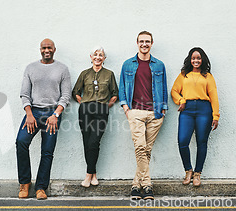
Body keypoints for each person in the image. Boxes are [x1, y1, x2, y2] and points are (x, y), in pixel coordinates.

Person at [16, 38, 71, 200]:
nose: (46, 50)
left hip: (52, 114)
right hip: (33, 113)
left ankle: (41, 187)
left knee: (47, 151)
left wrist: (56, 114)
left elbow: (65, 95)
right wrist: (29, 114)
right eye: (44, 48)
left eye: (49, 48)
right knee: (21, 142)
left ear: (54, 49)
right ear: (40, 49)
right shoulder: (31, 68)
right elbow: (25, 94)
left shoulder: (62, 69)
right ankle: (25, 183)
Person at [118, 31, 168, 200]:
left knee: (146, 150)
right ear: (137, 43)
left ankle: (135, 185)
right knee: (140, 147)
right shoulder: (128, 64)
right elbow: (122, 88)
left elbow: (163, 88)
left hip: (155, 112)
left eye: (147, 41)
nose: (144, 44)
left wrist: (164, 108)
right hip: (135, 112)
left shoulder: (159, 65)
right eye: (141, 41)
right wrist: (126, 108)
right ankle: (147, 186)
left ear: (151, 43)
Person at [171, 47, 219, 187]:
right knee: (182, 141)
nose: (196, 60)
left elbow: (214, 97)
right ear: (190, 59)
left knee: (201, 142)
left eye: (198, 58)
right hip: (187, 110)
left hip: (204, 110)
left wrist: (215, 115)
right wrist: (181, 100)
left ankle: (198, 174)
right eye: (193, 58)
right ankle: (188, 170)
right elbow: (174, 91)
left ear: (202, 60)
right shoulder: (184, 75)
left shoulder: (208, 76)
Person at [72, 46, 118, 188]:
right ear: (91, 57)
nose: (98, 57)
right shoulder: (84, 74)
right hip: (85, 110)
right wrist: (84, 102)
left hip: (101, 110)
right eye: (95, 55)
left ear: (104, 58)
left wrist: (106, 105)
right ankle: (94, 174)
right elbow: (76, 91)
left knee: (94, 142)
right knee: (87, 141)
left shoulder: (109, 74)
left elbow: (115, 93)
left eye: (101, 55)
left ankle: (87, 175)